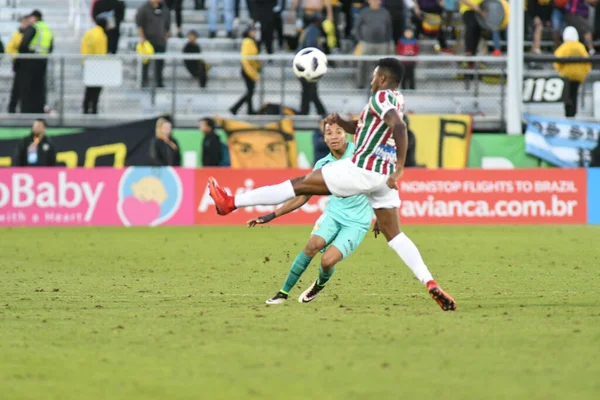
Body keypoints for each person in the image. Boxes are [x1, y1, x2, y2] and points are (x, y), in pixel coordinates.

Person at [207, 58, 456, 311]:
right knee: (396, 236)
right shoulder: (397, 98)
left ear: (381, 78)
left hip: (363, 169)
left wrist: (401, 167)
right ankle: (430, 282)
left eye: (373, 76)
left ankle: (230, 203)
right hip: (383, 178)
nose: (371, 81)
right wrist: (343, 122)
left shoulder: (380, 98)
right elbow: (364, 129)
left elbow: (399, 127)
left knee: (300, 184)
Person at [248, 122, 376, 304]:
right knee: (312, 245)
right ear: (324, 138)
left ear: (346, 135)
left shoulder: (360, 154)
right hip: (334, 214)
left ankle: (319, 285)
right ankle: (282, 293)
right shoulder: (322, 165)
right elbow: (303, 195)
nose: (334, 136)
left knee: (327, 262)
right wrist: (272, 215)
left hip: (357, 222)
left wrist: (382, 212)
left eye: (339, 132)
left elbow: (382, 180)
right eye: (329, 133)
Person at [18, 10, 54, 114]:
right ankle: (38, 110)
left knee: (28, 87)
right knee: (40, 87)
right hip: (43, 60)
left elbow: (23, 44)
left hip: (30, 60)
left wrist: (23, 56)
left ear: (35, 18)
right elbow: (50, 47)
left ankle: (26, 111)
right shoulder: (47, 29)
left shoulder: (34, 27)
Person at [553, 26, 592, 117]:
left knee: (567, 95)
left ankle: (568, 113)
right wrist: (584, 72)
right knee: (574, 94)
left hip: (566, 75)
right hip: (579, 76)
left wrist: (560, 70)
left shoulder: (564, 47)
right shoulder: (581, 47)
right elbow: (588, 62)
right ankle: (574, 112)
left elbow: (557, 61)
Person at [354, 0, 393, 89]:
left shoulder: (385, 12)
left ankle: (382, 85)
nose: (375, 1)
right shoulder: (364, 12)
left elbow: (389, 28)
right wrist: (360, 40)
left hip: (382, 44)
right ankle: (361, 84)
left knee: (383, 66)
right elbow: (357, 27)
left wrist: (388, 41)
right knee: (362, 64)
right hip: (366, 43)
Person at [136, 0, 171, 88]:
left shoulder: (165, 9)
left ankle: (159, 82)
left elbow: (168, 24)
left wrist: (166, 36)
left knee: (160, 63)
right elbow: (139, 24)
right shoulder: (144, 8)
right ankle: (143, 82)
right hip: (148, 41)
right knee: (145, 63)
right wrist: (142, 38)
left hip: (160, 40)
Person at [298, 14, 327, 115]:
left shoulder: (307, 30)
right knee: (311, 90)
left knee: (307, 90)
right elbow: (310, 47)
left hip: (301, 64)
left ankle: (304, 111)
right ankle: (321, 112)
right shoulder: (313, 31)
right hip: (307, 65)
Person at [230, 24, 261, 115]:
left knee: (250, 91)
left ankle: (249, 110)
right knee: (250, 92)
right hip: (248, 70)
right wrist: (252, 72)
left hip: (250, 69)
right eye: (252, 31)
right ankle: (235, 108)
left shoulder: (251, 41)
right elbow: (247, 59)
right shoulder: (248, 42)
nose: (254, 33)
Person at [81, 18, 108, 114]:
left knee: (88, 89)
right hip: (97, 66)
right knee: (96, 91)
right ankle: (94, 110)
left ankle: (85, 109)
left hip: (87, 64)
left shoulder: (88, 33)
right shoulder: (102, 36)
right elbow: (101, 53)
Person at [6, 16, 29, 113]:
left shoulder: (31, 33)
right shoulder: (17, 34)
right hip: (19, 64)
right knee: (16, 88)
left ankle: (25, 110)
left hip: (29, 65)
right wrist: (17, 56)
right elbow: (10, 48)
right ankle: (12, 109)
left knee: (27, 88)